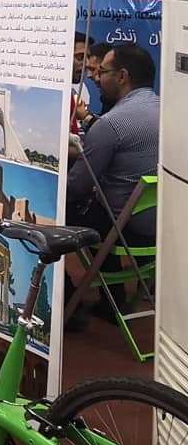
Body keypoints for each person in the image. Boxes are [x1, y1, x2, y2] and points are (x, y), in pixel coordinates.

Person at [65, 43, 159, 328]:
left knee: (55, 209)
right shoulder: (169, 111)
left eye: (102, 71)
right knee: (102, 211)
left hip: (127, 231)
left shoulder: (111, 124)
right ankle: (113, 301)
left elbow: (77, 187)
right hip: (162, 228)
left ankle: (67, 302)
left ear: (122, 76)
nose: (95, 77)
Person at [77, 41, 113, 129]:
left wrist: (84, 116)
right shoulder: (108, 97)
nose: (89, 75)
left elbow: (109, 132)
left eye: (92, 69)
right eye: (87, 70)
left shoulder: (122, 99)